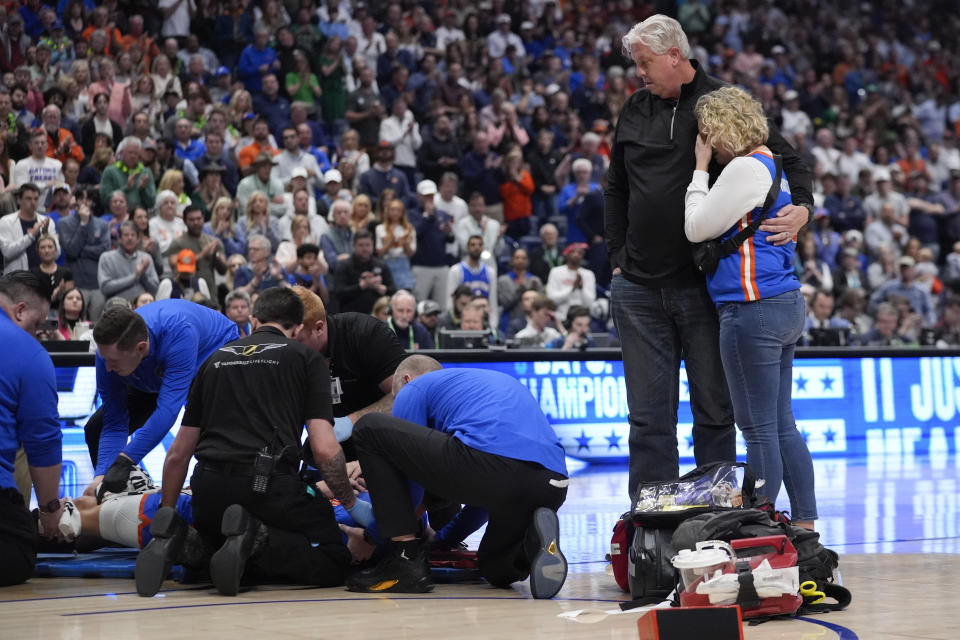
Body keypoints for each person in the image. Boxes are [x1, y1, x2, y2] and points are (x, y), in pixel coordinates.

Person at [604, 15, 813, 492]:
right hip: (637, 285)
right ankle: (650, 526)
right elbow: (615, 185)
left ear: (675, 55)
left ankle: (713, 521)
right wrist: (616, 253)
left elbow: (789, 160)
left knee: (715, 413)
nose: (638, 72)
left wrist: (803, 209)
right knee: (648, 420)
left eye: (645, 62)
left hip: (704, 286)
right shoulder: (634, 108)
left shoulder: (722, 104)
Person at [135, 288, 357, 597]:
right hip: (266, 487)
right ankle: (257, 538)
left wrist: (168, 513)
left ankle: (188, 544)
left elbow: (177, 455)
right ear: (297, 327)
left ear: (253, 320)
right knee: (335, 559)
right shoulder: (306, 359)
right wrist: (349, 501)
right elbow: (323, 448)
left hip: (209, 490)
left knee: (224, 544)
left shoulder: (213, 360)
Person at [683, 86, 816, 529]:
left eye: (708, 136)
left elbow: (696, 227)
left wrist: (700, 171)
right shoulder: (771, 163)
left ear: (723, 130)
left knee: (758, 430)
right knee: (781, 426)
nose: (707, 145)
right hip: (784, 303)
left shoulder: (741, 168)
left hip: (751, 309)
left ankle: (757, 523)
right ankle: (804, 525)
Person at [347, 357, 568, 598]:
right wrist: (440, 540)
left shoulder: (413, 388)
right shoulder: (481, 388)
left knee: (369, 428)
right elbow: (482, 501)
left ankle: (404, 561)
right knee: (496, 569)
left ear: (406, 379)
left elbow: (410, 483)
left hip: (494, 469)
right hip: (552, 483)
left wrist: (371, 536)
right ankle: (533, 544)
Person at [82, 299, 239, 498]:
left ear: (140, 348)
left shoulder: (178, 332)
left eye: (113, 361)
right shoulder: (108, 356)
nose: (107, 369)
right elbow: (114, 422)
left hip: (209, 352)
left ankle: (211, 498)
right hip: (154, 366)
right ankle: (109, 495)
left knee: (205, 432)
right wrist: (103, 473)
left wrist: (125, 460)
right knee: (96, 428)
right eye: (104, 359)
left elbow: (167, 410)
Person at [0, 271, 65, 586]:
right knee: (21, 552)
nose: (40, 333)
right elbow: (43, 443)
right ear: (20, 311)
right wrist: (51, 508)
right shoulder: (30, 354)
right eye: (39, 325)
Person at [56, 197, 109, 321]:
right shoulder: (64, 223)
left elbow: (104, 251)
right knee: (74, 321)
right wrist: (83, 224)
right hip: (76, 283)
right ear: (75, 203)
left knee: (97, 324)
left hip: (97, 284)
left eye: (88, 199)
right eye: (81, 199)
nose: (84, 203)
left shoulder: (102, 224)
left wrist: (81, 249)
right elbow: (72, 251)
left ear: (93, 202)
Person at [164, 205, 226, 299]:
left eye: (198, 219)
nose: (196, 222)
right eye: (191, 220)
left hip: (210, 292)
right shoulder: (178, 243)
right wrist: (201, 255)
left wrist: (215, 255)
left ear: (203, 219)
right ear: (185, 221)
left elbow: (223, 270)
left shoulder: (212, 242)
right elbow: (174, 265)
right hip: (186, 293)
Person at [333, 229, 396, 315]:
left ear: (372, 245)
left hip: (377, 317)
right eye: (361, 245)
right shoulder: (344, 266)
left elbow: (393, 289)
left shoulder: (381, 265)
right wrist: (361, 286)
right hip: (350, 315)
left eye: (368, 245)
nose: (365, 248)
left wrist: (380, 288)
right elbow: (338, 293)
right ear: (354, 245)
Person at [0, 183, 57, 274]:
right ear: (19, 200)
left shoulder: (47, 222)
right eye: (28, 198)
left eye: (36, 199)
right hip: (17, 279)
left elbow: (57, 254)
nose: (33, 202)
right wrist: (30, 236)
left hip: (42, 277)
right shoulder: (6, 222)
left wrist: (46, 235)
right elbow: (7, 253)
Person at [446, 235, 498, 326]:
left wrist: (493, 325)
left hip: (483, 321)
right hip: (462, 320)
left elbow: (493, 302)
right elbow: (450, 300)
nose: (476, 248)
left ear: (483, 248)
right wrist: (454, 322)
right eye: (473, 245)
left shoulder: (490, 272)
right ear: (467, 248)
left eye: (479, 245)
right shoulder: (456, 270)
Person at [545, 243, 596, 319]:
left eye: (580, 253)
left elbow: (590, 303)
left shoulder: (588, 274)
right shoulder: (555, 272)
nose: (576, 255)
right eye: (573, 252)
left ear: (582, 256)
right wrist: (572, 288)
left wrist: (581, 288)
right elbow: (552, 299)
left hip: (582, 317)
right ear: (566, 254)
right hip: (561, 316)